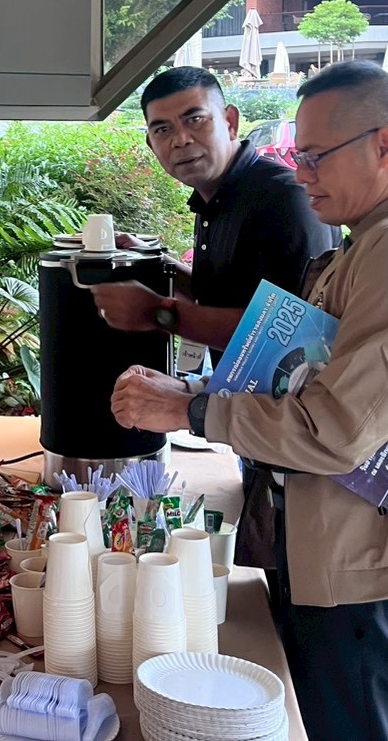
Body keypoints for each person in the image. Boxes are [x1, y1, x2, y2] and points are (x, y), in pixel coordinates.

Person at [111, 61, 388, 741]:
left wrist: (188, 411)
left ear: (384, 145)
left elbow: (333, 429)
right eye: (299, 156)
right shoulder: (369, 246)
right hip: (332, 547)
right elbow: (297, 375)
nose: (301, 175)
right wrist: (193, 390)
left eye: (315, 156)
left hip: (369, 571)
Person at [90, 67, 336, 590]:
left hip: (303, 441)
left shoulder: (280, 199)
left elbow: (293, 338)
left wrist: (159, 312)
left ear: (230, 121)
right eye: (162, 129)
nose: (180, 139)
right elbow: (228, 296)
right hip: (254, 425)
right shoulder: (216, 200)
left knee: (299, 587)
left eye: (194, 120)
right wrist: (158, 268)